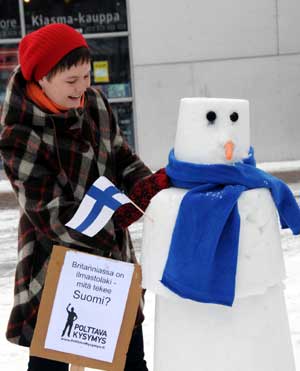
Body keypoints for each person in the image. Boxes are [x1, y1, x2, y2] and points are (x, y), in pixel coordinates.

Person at [0, 23, 169, 371]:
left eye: (86, 76)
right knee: (51, 364)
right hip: (56, 266)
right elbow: (52, 215)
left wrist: (152, 188)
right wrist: (118, 220)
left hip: (112, 269)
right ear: (41, 78)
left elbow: (122, 159)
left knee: (130, 361)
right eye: (71, 81)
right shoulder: (19, 134)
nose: (82, 88)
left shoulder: (94, 104)